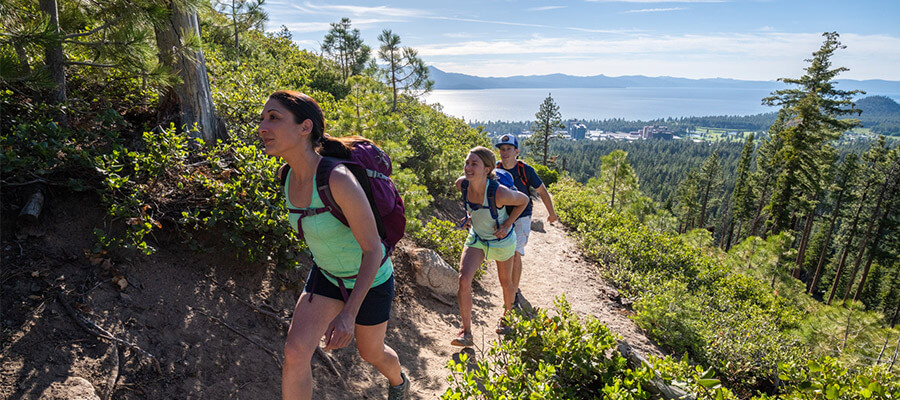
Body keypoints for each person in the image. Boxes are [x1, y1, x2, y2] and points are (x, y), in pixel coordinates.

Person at [258, 91, 408, 400]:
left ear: (305, 127)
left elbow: (373, 250)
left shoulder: (338, 179)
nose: (263, 126)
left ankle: (399, 382)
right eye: (262, 118)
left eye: (274, 118)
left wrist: (348, 314)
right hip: (327, 275)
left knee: (372, 352)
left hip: (371, 279)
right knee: (295, 352)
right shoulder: (285, 177)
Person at [451, 146, 529, 346]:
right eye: (467, 162)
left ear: (487, 169)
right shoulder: (463, 185)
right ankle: (466, 332)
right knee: (463, 280)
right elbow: (473, 208)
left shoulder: (500, 193)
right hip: (477, 238)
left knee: (506, 283)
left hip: (501, 241)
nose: (468, 167)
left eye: (474, 164)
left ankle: (507, 318)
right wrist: (469, 217)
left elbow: (524, 200)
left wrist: (507, 224)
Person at [494, 134, 558, 308]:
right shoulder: (495, 169)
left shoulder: (525, 170)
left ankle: (513, 294)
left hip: (522, 215)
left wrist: (551, 213)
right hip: (502, 215)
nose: (504, 152)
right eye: (502, 149)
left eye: (508, 149)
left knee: (515, 253)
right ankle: (510, 286)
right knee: (505, 254)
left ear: (517, 151)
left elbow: (542, 191)